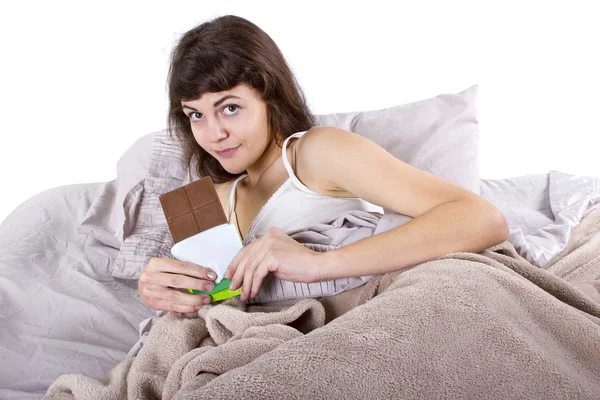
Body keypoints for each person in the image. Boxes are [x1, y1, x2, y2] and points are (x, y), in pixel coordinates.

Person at [138, 15, 509, 313]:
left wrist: (318, 264)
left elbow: (483, 219)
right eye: (195, 115)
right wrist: (164, 291)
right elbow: (210, 302)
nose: (214, 133)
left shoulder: (315, 153)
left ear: (270, 96)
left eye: (230, 108)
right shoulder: (205, 201)